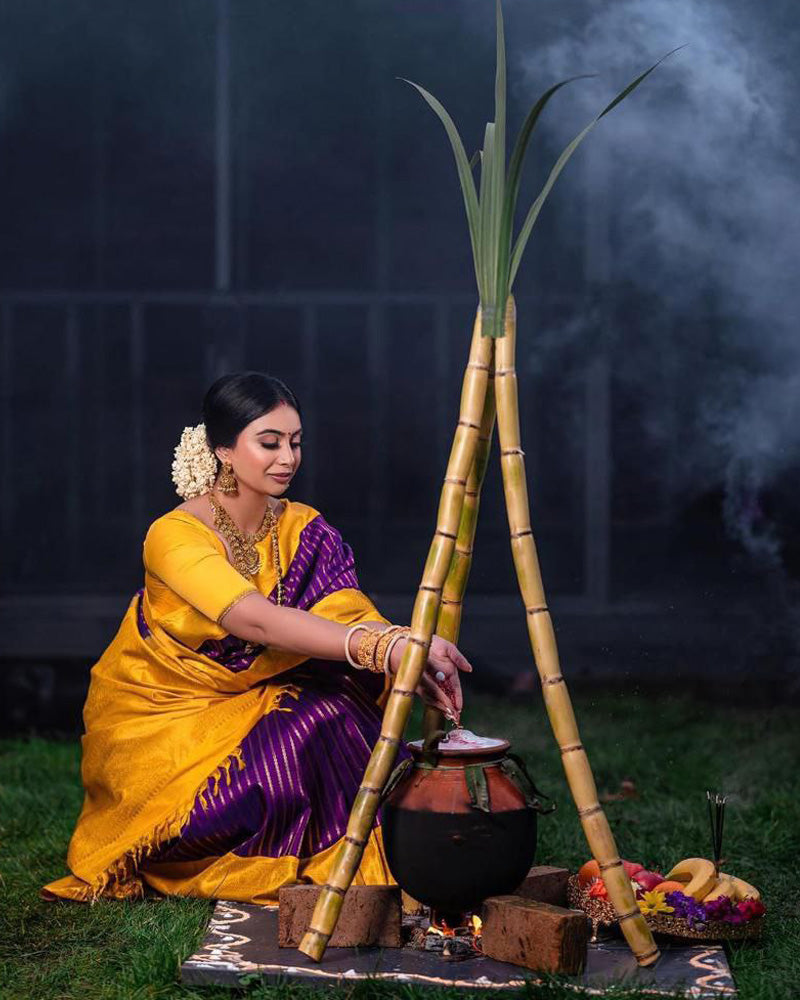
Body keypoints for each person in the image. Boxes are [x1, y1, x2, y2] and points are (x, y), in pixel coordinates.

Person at [41, 372, 472, 905]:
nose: (287, 457)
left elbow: (345, 612)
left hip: (266, 704)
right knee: (308, 716)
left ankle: (348, 854)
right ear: (223, 449)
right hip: (174, 728)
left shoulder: (305, 528)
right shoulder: (174, 535)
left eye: (295, 442)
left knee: (330, 708)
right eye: (269, 443)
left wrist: (406, 658)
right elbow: (254, 621)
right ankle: (245, 854)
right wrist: (383, 649)